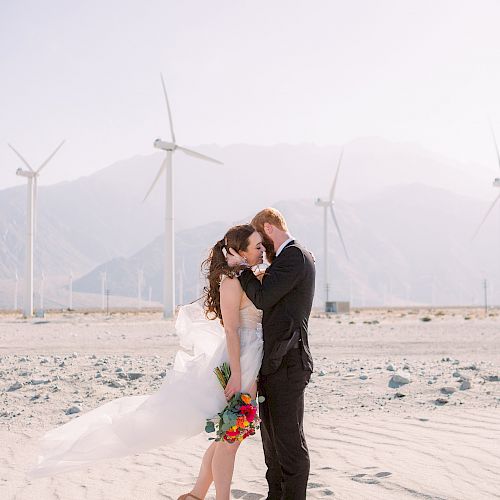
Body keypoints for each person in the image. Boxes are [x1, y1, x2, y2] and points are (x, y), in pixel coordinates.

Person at [30, 224, 265, 500]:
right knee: (230, 438)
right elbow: (231, 330)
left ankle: (196, 495)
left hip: (250, 355)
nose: (263, 250)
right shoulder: (232, 282)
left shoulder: (247, 277)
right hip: (239, 360)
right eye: (258, 246)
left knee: (229, 435)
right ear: (239, 252)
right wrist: (237, 374)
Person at [227, 208, 315, 500]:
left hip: (289, 361)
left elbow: (263, 298)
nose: (262, 251)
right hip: (276, 362)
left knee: (288, 442)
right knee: (272, 442)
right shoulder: (288, 260)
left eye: (262, 243)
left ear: (269, 228)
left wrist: (242, 268)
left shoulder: (295, 256)